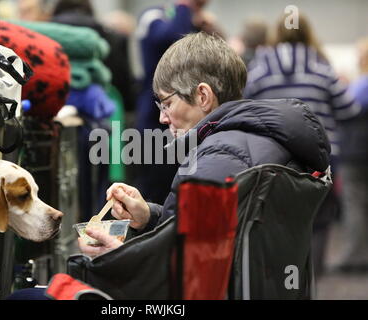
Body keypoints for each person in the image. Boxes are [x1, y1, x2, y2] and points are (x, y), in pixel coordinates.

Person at [78, 31, 331, 257]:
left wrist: (118, 254)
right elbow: (199, 235)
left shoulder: (217, 159)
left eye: (167, 103)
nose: (162, 118)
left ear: (203, 96)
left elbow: (187, 267)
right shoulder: (260, 140)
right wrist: (149, 216)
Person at [242, 12, 361, 277]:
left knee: (276, 218)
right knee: (318, 220)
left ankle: (280, 279)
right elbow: (349, 108)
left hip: (272, 158)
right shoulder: (321, 66)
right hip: (321, 158)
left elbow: (243, 106)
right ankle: (312, 278)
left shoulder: (261, 67)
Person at [134, 0, 212, 206]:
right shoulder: (153, 15)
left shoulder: (189, 20)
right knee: (156, 187)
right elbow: (172, 38)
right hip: (155, 117)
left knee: (182, 184)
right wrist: (184, 7)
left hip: (187, 119)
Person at [333, 37, 368, 273]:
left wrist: (341, 87)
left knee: (354, 204)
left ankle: (355, 257)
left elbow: (349, 107)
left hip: (356, 153)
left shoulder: (363, 83)